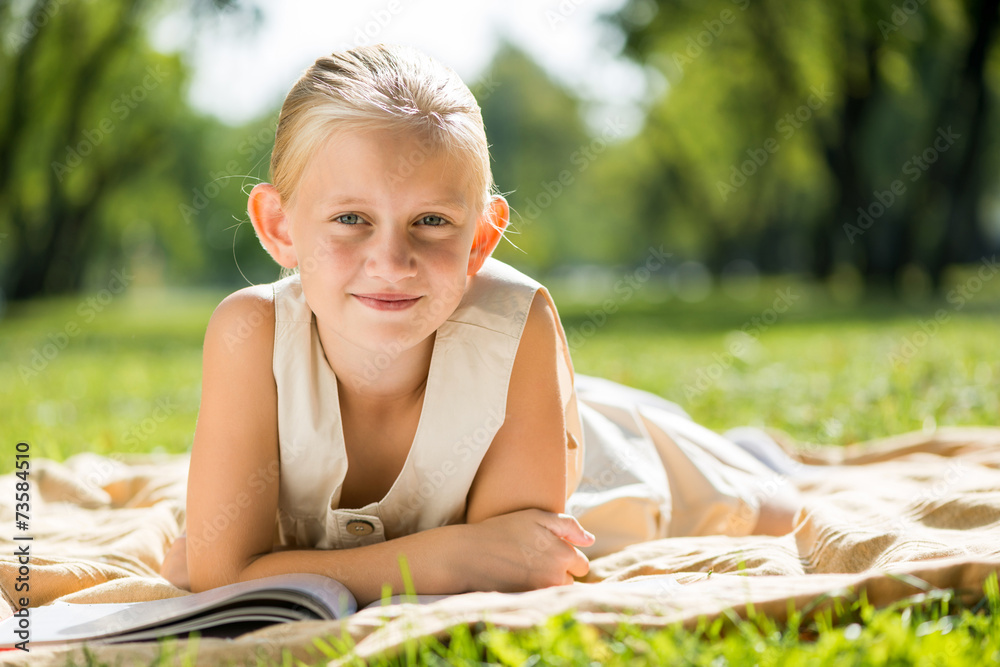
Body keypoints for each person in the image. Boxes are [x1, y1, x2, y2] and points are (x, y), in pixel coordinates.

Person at [160, 44, 799, 606]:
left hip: (596, 469)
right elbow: (226, 578)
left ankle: (742, 451)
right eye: (351, 219)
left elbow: (519, 565)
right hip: (517, 416)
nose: (390, 261)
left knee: (772, 507)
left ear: (481, 238)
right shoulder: (252, 332)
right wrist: (450, 557)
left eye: (431, 221)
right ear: (279, 227)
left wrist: (264, 567)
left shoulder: (517, 323)